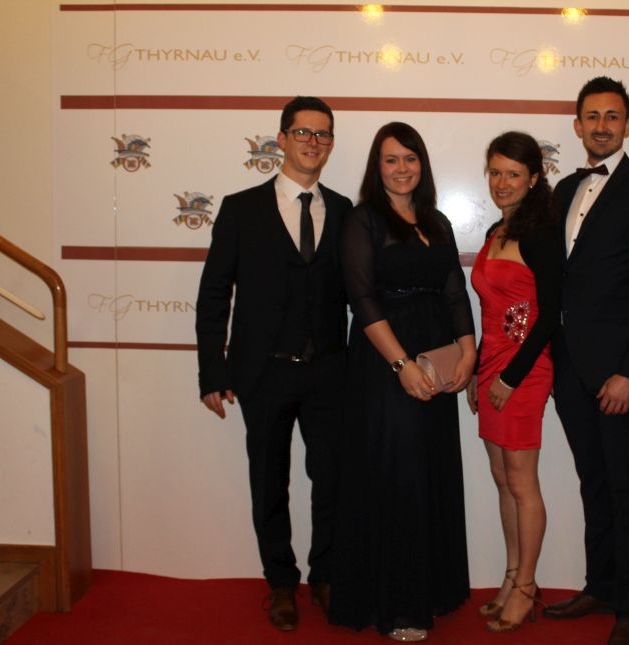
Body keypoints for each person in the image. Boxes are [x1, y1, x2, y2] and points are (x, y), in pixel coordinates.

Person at [195, 96, 352, 632]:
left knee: (331, 480)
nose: (313, 142)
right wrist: (212, 371)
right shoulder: (240, 208)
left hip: (329, 373)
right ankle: (281, 583)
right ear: (281, 139)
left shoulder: (345, 211)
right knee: (269, 482)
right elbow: (214, 294)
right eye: (303, 132)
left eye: (323, 134)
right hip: (262, 373)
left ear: (331, 144)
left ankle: (325, 576)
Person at [329, 121, 476, 643]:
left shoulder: (437, 220)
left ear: (422, 165)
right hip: (384, 363)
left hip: (436, 358)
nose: (402, 168)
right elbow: (362, 299)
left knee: (429, 471)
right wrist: (401, 366)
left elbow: (454, 289)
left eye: (410, 158)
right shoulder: (363, 219)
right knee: (398, 478)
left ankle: (432, 590)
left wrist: (468, 351)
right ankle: (398, 605)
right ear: (377, 166)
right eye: (391, 159)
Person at [544, 77, 629, 645]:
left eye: (612, 116)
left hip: (621, 373)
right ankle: (599, 587)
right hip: (570, 370)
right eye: (592, 116)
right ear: (578, 125)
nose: (601, 126)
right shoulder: (562, 190)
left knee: (626, 487)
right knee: (592, 482)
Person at [466, 131, 562, 633]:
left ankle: (526, 587)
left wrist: (509, 375)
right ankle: (510, 576)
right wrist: (478, 370)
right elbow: (491, 310)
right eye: (496, 172)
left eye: (513, 174)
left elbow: (548, 316)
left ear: (534, 178)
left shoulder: (541, 233)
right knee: (502, 478)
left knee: (523, 483)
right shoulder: (494, 231)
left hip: (524, 370)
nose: (502, 183)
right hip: (492, 368)